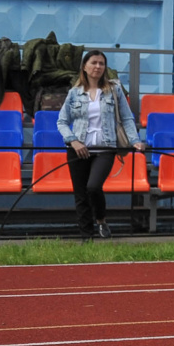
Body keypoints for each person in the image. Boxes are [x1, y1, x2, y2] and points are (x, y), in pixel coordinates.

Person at [55, 48, 145, 240]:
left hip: (106, 147)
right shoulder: (74, 93)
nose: (98, 66)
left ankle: (101, 220)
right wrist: (73, 141)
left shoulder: (114, 90)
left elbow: (127, 118)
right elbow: (62, 122)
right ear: (85, 67)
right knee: (80, 194)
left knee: (93, 187)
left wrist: (135, 140)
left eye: (101, 63)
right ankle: (86, 237)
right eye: (94, 63)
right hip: (78, 149)